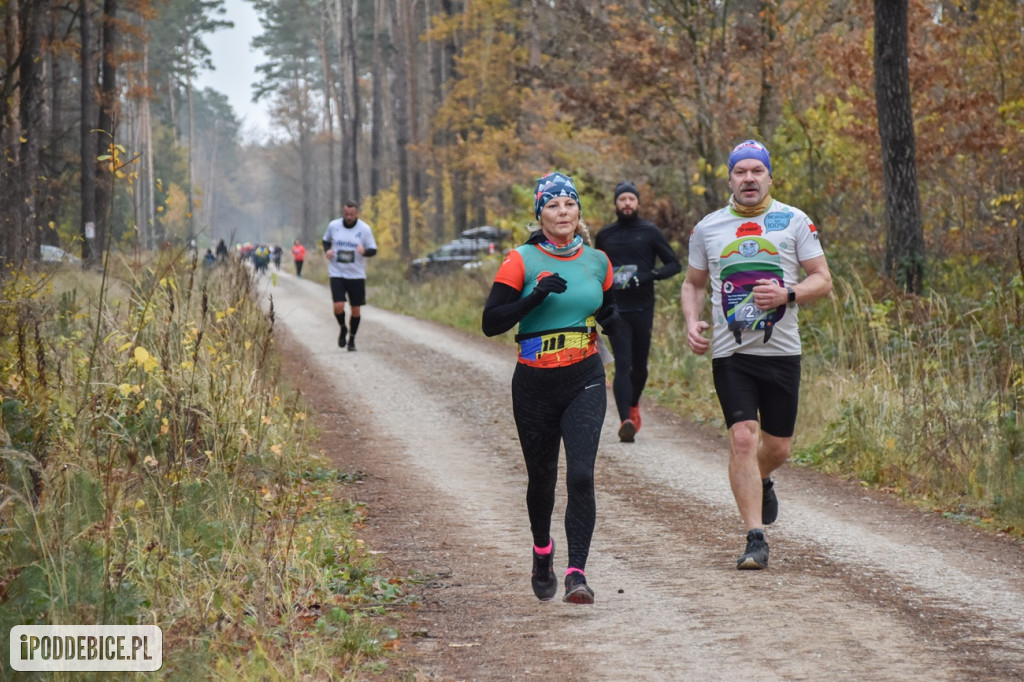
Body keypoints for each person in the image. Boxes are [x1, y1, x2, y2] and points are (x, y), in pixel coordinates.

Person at [680, 139, 832, 570]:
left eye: (756, 171)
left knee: (778, 448)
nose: (749, 178)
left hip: (783, 351)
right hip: (731, 353)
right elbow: (692, 283)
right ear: (729, 178)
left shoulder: (793, 221)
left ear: (769, 177)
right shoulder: (708, 227)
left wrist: (788, 293)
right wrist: (692, 322)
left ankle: (762, 478)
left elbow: (823, 279)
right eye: (740, 172)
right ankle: (755, 538)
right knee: (743, 437)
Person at [481, 172, 619, 604]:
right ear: (539, 213)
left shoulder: (598, 261)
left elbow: (611, 311)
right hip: (534, 382)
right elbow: (491, 323)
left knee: (580, 475)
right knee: (541, 480)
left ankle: (577, 572)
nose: (562, 212)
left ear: (579, 213)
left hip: (585, 376)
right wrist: (535, 297)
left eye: (569, 204)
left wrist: (617, 326)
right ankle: (543, 550)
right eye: (553, 205)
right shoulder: (520, 259)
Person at [595, 181, 681, 443]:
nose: (627, 204)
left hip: (643, 308)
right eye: (623, 199)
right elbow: (597, 269)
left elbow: (674, 265)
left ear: (638, 203)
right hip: (616, 310)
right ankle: (625, 421)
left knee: (639, 368)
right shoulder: (605, 235)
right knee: (623, 364)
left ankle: (632, 405)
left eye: (631, 199)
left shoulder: (650, 231)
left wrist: (648, 275)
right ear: (616, 204)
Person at [323, 200, 378, 351]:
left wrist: (364, 252)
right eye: (346, 214)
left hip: (356, 275)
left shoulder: (365, 229)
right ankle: (342, 328)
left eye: (351, 215)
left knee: (355, 309)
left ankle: (352, 339)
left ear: (357, 213)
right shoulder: (334, 226)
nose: (348, 217)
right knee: (338, 305)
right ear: (343, 212)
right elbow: (325, 241)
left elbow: (373, 250)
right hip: (337, 272)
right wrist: (327, 251)